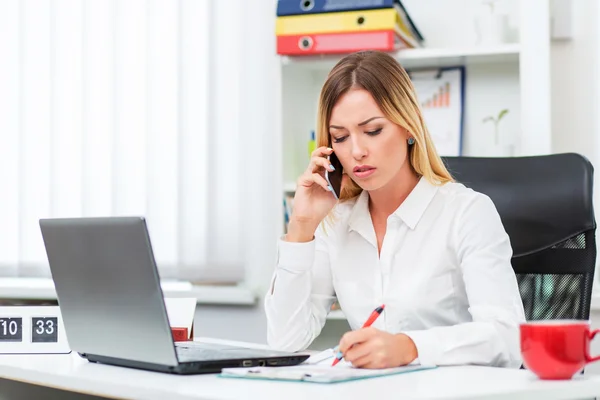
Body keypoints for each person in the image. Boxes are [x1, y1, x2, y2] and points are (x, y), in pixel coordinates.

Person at [264, 50, 526, 369]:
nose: (357, 151)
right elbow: (284, 341)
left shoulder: (467, 212)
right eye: (341, 137)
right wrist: (301, 228)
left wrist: (410, 347)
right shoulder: (336, 222)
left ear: (409, 127)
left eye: (373, 130)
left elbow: (508, 337)